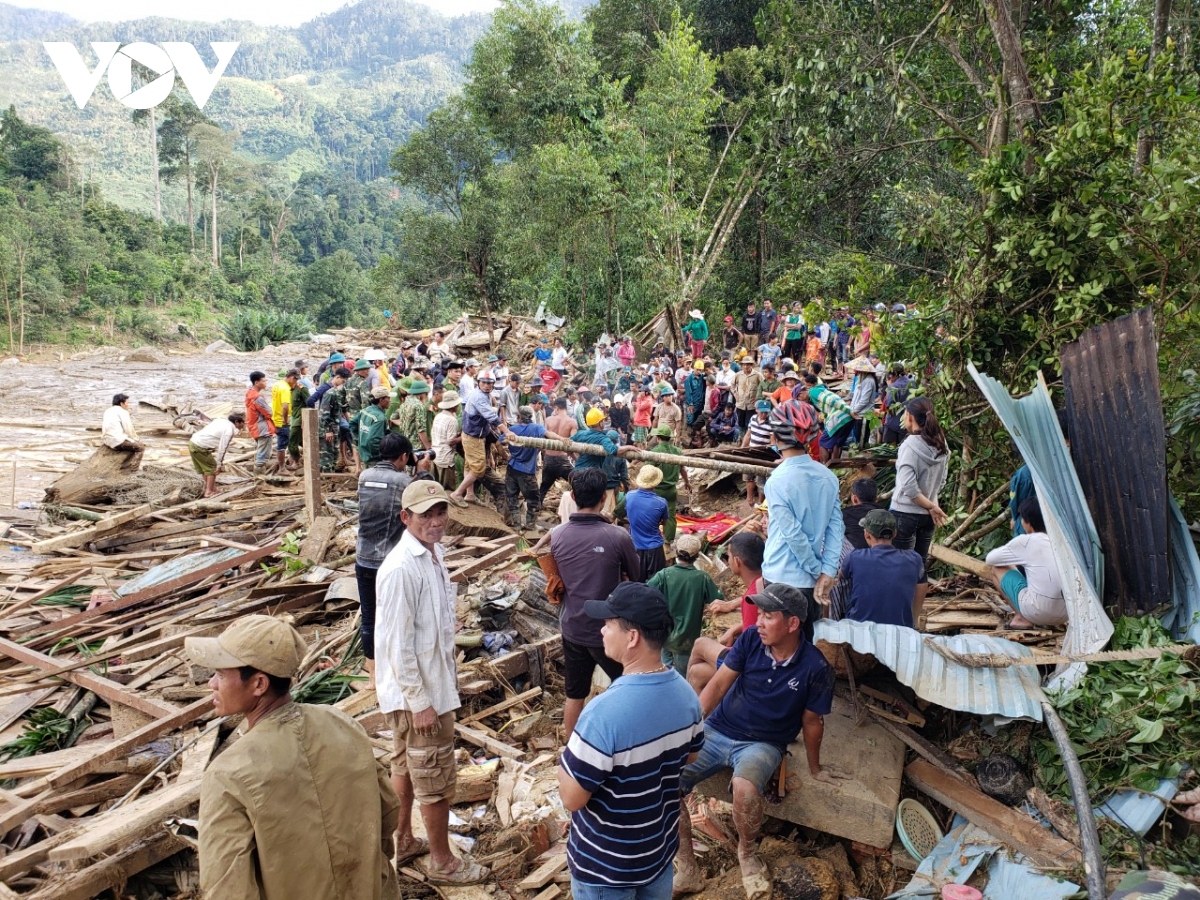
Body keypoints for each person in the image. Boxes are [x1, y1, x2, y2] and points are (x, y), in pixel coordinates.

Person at [188, 615, 400, 900]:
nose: (212, 684)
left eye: (222, 674)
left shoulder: (228, 772)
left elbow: (226, 887)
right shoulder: (341, 723)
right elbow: (388, 814)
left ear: (259, 684)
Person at [673, 584, 839, 900]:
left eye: (768, 616)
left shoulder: (816, 668)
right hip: (718, 730)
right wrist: (693, 730)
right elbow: (719, 684)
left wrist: (815, 768)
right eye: (758, 614)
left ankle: (747, 854)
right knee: (666, 781)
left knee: (746, 787)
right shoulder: (750, 639)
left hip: (763, 743)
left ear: (792, 624)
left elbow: (812, 721)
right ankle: (688, 870)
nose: (758, 622)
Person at [376, 480, 490, 885]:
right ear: (406, 517)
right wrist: (420, 701)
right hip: (419, 695)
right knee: (434, 776)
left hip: (426, 687)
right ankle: (442, 862)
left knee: (407, 765)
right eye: (426, 514)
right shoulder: (401, 568)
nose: (436, 521)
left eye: (440, 512)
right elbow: (397, 645)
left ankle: (403, 838)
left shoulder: (432, 553)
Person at [558, 582, 703, 900]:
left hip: (607, 868)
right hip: (658, 854)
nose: (602, 631)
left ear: (633, 636)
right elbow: (690, 757)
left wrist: (566, 759)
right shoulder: (686, 694)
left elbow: (571, 798)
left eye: (608, 624)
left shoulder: (603, 712)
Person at [549, 468, 640, 739]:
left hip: (572, 628)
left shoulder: (558, 535)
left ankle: (572, 750)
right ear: (604, 498)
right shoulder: (617, 536)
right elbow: (636, 579)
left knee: (574, 694)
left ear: (574, 496)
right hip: (609, 631)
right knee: (626, 687)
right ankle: (624, 742)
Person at [356, 433, 427, 688]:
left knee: (369, 616)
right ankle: (398, 670)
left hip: (363, 557)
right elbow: (424, 504)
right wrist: (423, 473)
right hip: (391, 562)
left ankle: (373, 676)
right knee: (398, 616)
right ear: (404, 456)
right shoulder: (404, 481)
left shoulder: (364, 476)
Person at [763, 402, 843, 614]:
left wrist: (818, 572)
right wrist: (827, 571)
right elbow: (835, 528)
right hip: (812, 584)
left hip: (780, 576)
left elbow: (794, 535)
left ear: (776, 437)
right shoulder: (828, 477)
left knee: (779, 645)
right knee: (808, 642)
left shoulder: (777, 481)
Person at [889, 397, 949, 621]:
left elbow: (909, 487)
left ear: (911, 418)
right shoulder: (941, 443)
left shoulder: (910, 446)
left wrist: (930, 505)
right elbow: (940, 482)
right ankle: (914, 618)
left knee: (900, 565)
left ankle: (898, 617)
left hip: (905, 514)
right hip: (927, 516)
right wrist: (933, 505)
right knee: (919, 565)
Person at [685, 531, 765, 693]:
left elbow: (749, 645)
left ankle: (689, 707)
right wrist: (734, 629)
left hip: (749, 666)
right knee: (697, 673)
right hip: (759, 659)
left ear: (737, 561)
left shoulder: (751, 598)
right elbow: (756, 625)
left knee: (700, 643)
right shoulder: (762, 583)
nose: (727, 560)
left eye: (727, 556)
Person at [985, 496, 1066, 627]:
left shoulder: (1027, 541)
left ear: (1027, 522)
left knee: (997, 567)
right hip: (1066, 615)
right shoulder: (1062, 539)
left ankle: (1021, 618)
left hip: (1038, 612)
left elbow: (990, 559)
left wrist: (1014, 559)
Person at [649, 534, 722, 674]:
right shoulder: (702, 578)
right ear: (696, 556)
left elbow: (646, 593)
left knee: (663, 671)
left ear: (677, 552)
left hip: (665, 635)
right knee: (685, 675)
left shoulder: (664, 575)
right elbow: (718, 600)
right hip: (687, 639)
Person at [839, 509, 925, 627]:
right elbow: (922, 585)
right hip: (901, 628)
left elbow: (839, 576)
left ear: (867, 534)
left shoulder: (855, 557)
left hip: (859, 628)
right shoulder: (915, 559)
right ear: (894, 534)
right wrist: (914, 619)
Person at [453, 372, 508, 511]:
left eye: (490, 383)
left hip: (473, 434)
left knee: (469, 466)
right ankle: (457, 494)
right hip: (473, 437)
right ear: (478, 382)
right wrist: (507, 431)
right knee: (478, 468)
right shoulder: (478, 397)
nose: (487, 385)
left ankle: (470, 495)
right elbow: (490, 416)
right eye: (484, 382)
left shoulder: (484, 395)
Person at [506, 406, 562, 531]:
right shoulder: (536, 428)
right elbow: (549, 434)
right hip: (527, 471)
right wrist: (561, 439)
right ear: (530, 416)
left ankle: (516, 524)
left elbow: (499, 443)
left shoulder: (512, 429)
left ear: (519, 417)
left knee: (512, 496)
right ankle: (530, 524)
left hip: (512, 468)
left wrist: (506, 456)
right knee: (533, 498)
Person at [625, 465, 669, 580]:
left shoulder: (629, 496)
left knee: (637, 581)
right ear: (656, 483)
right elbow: (665, 522)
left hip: (635, 546)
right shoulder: (661, 503)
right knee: (656, 582)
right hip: (654, 548)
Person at [647, 425, 690, 541]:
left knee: (653, 514)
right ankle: (668, 541)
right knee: (670, 516)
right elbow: (682, 469)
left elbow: (647, 470)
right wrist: (687, 482)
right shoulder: (677, 451)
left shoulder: (654, 452)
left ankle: (653, 538)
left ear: (658, 438)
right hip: (671, 489)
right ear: (670, 438)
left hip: (657, 490)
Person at [189, 413, 245, 498]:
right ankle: (209, 492)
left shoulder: (221, 420)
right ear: (237, 422)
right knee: (212, 468)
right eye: (243, 423)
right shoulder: (229, 430)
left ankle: (213, 488)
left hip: (193, 442)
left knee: (205, 469)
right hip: (200, 446)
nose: (244, 425)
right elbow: (222, 448)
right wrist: (219, 464)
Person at [805, 375, 854, 463]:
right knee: (837, 443)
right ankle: (835, 466)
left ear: (811, 385)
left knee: (823, 442)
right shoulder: (824, 389)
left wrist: (848, 410)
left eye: (807, 387)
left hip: (839, 416)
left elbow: (831, 401)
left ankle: (824, 467)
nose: (807, 390)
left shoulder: (813, 391)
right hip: (847, 417)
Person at [740, 400, 774, 505]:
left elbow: (772, 442)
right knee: (748, 476)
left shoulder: (771, 422)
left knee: (761, 479)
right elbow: (748, 435)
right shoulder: (753, 419)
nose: (764, 414)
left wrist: (768, 452)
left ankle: (760, 502)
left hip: (763, 454)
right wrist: (742, 448)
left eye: (766, 412)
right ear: (756, 410)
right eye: (762, 412)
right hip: (751, 451)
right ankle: (749, 499)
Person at [351, 386, 393, 469]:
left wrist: (361, 440)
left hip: (365, 453)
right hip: (375, 458)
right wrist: (382, 455)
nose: (390, 400)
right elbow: (373, 439)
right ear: (381, 400)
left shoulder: (366, 410)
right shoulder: (380, 418)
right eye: (388, 398)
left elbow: (352, 424)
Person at [318, 367, 349, 473]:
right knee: (326, 456)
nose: (344, 384)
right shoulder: (330, 393)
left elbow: (342, 410)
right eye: (343, 381)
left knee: (334, 454)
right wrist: (328, 430)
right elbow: (324, 413)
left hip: (335, 427)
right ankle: (326, 480)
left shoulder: (339, 393)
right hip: (327, 429)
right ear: (338, 377)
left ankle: (331, 479)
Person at [245, 371, 276, 475]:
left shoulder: (250, 393)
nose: (266, 382)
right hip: (263, 429)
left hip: (255, 427)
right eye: (264, 380)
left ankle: (258, 478)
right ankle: (259, 481)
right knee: (262, 456)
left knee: (259, 452)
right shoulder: (257, 398)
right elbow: (269, 412)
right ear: (256, 382)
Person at [431, 390, 463, 491]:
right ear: (453, 406)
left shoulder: (439, 416)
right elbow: (451, 441)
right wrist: (464, 437)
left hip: (436, 455)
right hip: (446, 458)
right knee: (446, 489)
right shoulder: (451, 420)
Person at [847, 365, 880, 447]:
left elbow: (864, 400)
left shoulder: (868, 380)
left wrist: (854, 411)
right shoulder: (862, 379)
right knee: (857, 438)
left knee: (861, 441)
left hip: (864, 415)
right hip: (858, 413)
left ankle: (861, 457)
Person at [880, 364, 910, 445]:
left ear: (895, 375)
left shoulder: (893, 387)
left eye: (890, 375)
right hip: (907, 423)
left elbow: (889, 405)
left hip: (893, 424)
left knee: (891, 451)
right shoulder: (912, 384)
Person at [732, 361, 762, 431]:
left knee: (749, 423)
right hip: (740, 404)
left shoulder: (757, 375)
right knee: (740, 422)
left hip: (751, 404)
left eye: (748, 365)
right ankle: (741, 438)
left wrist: (758, 397)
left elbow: (763, 386)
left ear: (751, 365)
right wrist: (735, 394)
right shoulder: (738, 375)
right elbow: (732, 385)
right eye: (744, 365)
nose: (746, 366)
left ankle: (749, 439)